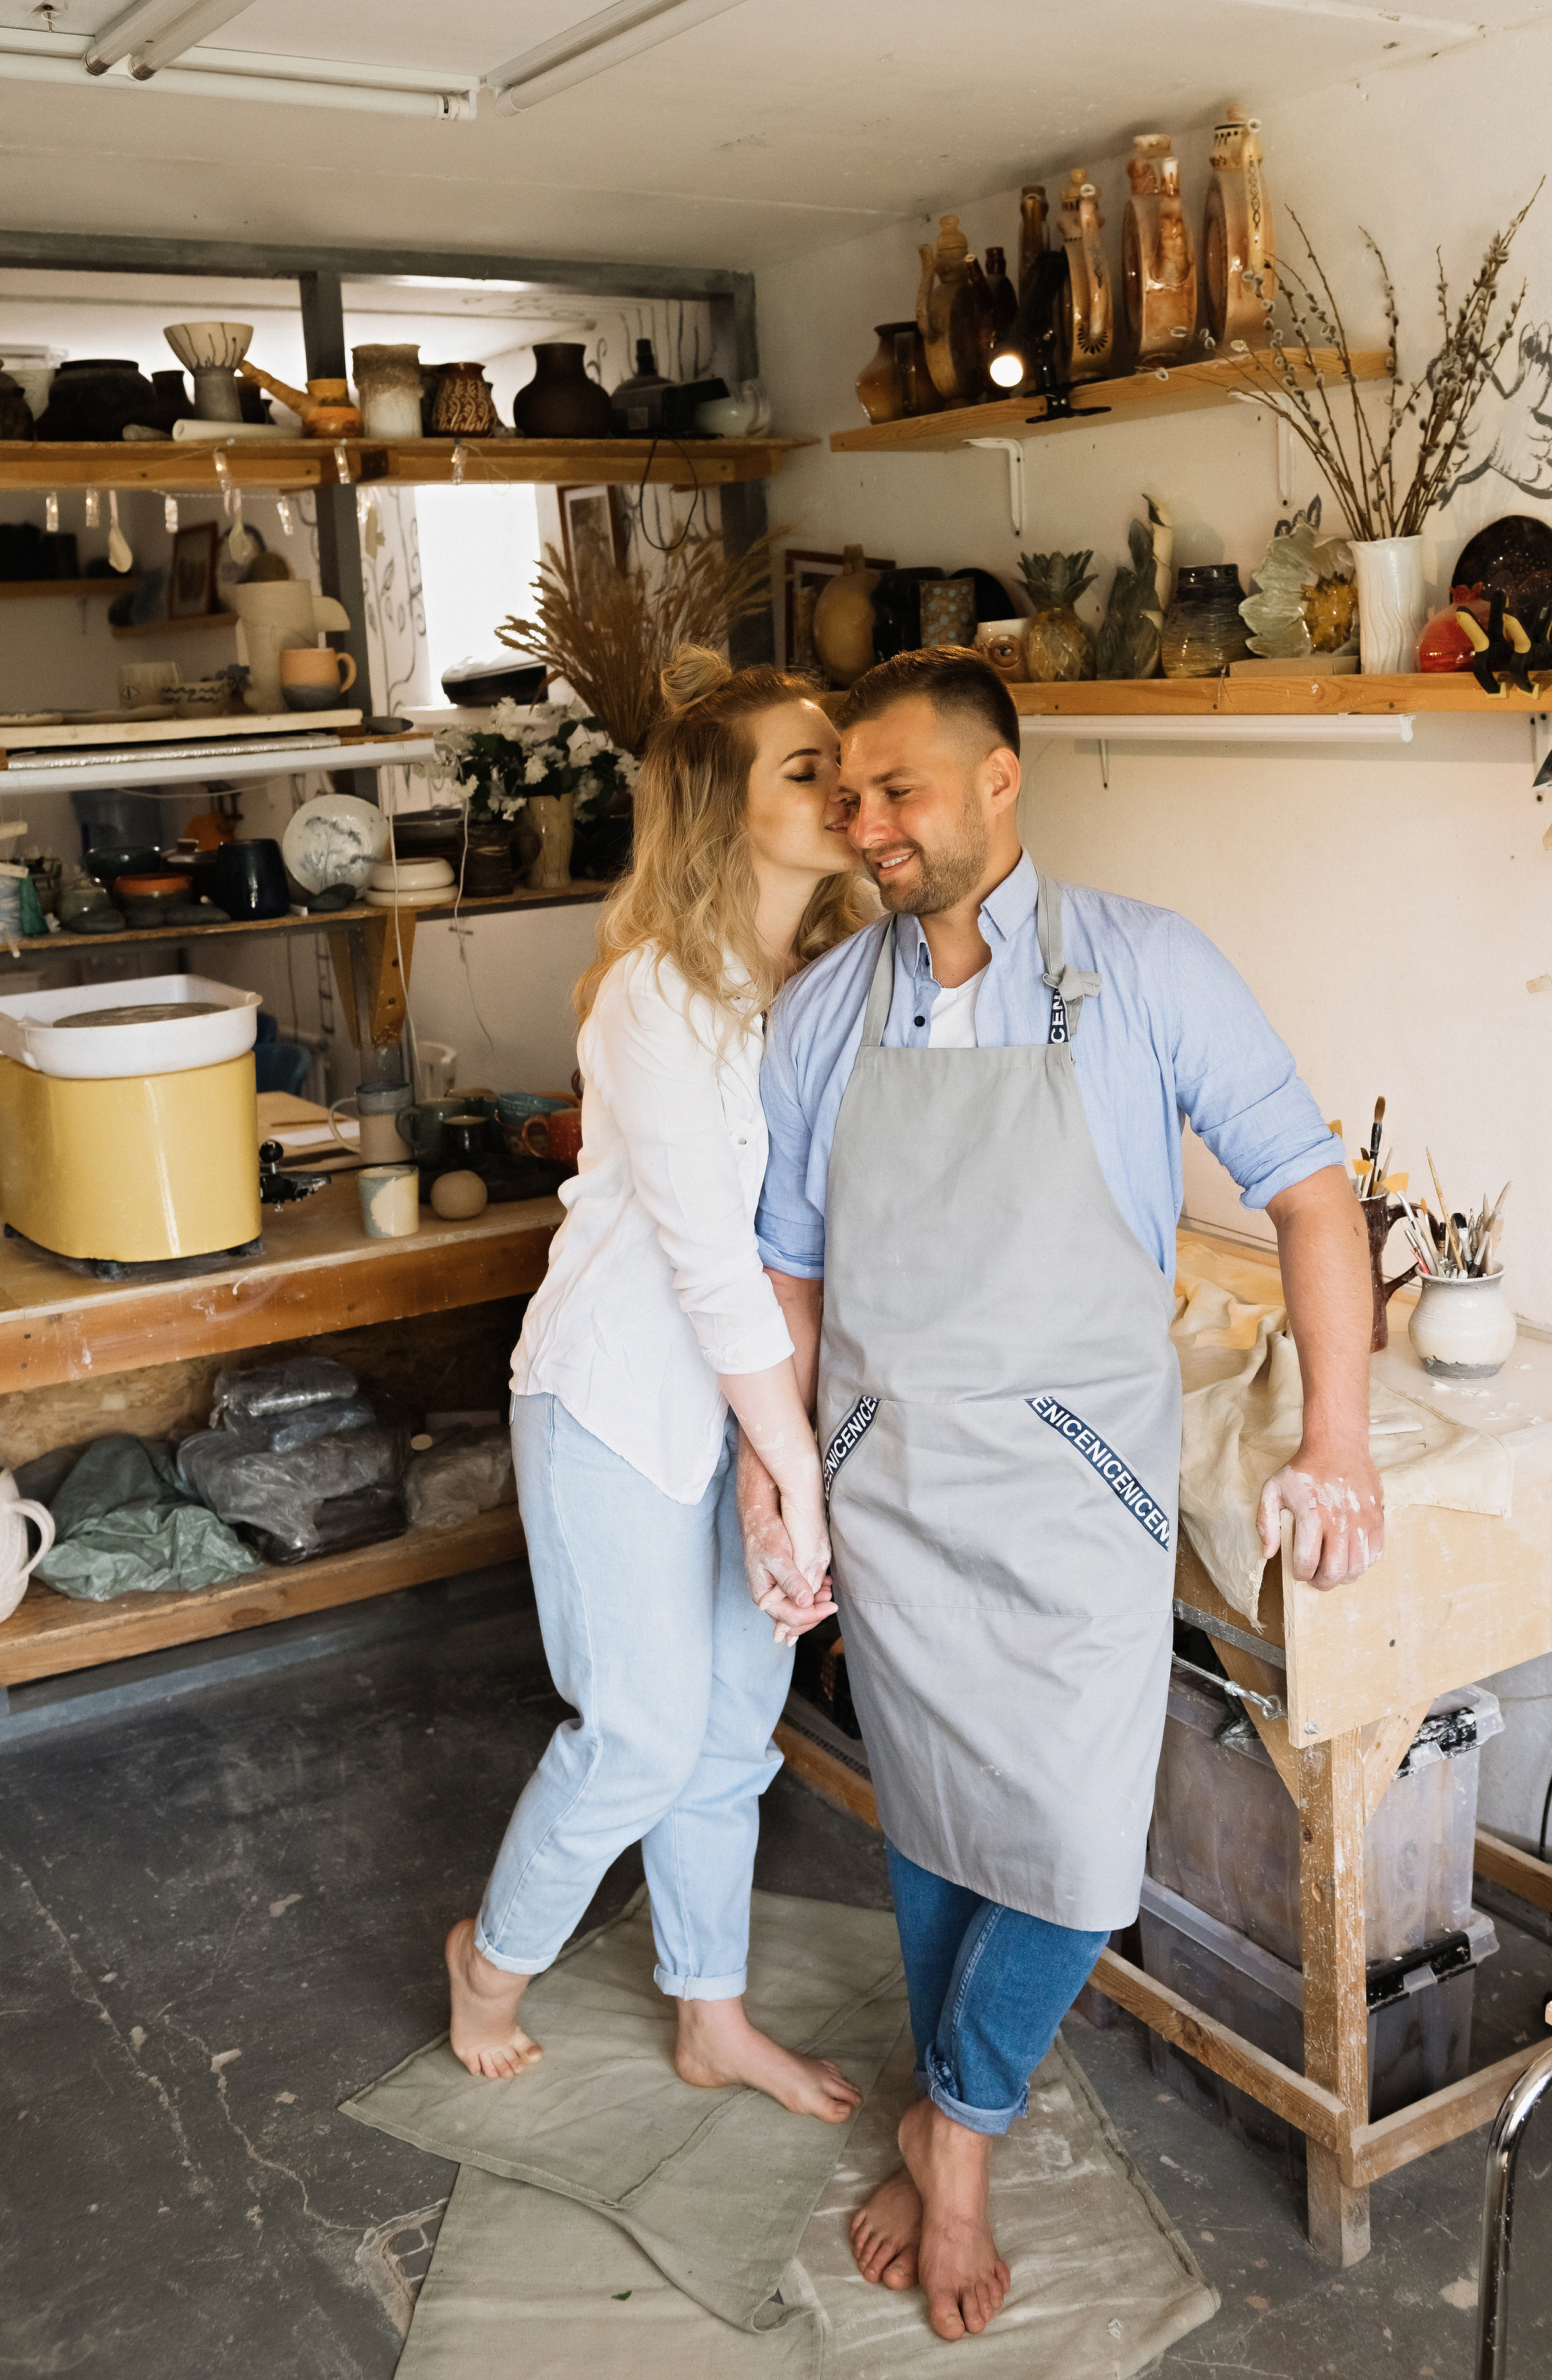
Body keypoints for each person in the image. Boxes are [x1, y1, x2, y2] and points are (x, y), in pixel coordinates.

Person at [742, 647, 1382, 2336]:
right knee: (940, 1824)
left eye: (899, 789)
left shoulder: (1145, 968)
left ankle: (950, 2132)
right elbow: (788, 1275)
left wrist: (1337, 1441)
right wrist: (789, 1481)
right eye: (847, 794)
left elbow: (1316, 1199)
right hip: (894, 1486)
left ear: (1000, 780)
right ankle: (955, 2117)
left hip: (1080, 1497)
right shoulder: (824, 1010)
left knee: (1084, 1862)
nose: (867, 823)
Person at [444, 645, 869, 2123]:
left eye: (841, 758)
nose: (843, 784)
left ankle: (711, 2014)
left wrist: (782, 1457)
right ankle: (487, 1964)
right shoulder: (652, 997)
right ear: (717, 808)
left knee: (726, 1738)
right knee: (631, 1738)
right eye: (804, 767)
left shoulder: (813, 987)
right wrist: (799, 1480)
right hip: (619, 1405)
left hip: (752, 1419)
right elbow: (705, 1265)